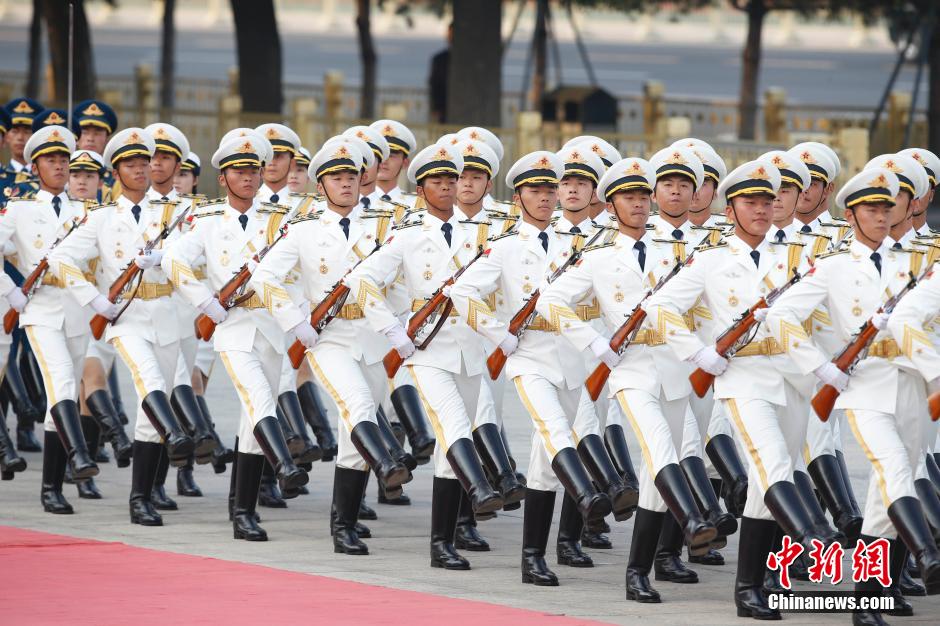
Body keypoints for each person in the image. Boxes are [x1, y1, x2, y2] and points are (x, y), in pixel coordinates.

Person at [645, 160, 831, 620]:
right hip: (743, 377)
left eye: (768, 201)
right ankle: (812, 534)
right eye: (751, 202)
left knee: (768, 480)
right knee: (772, 463)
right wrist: (697, 352)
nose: (763, 209)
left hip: (793, 379)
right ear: (730, 211)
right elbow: (660, 306)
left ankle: (753, 584)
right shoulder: (712, 259)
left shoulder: (798, 258)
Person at [770, 167, 940, 624]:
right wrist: (819, 365)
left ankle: (867, 602)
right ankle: (928, 552)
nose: (882, 216)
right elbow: (781, 317)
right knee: (895, 468)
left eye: (887, 207)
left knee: (883, 500)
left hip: (912, 387)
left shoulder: (919, 263)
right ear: (851, 215)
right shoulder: (834, 266)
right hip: (864, 386)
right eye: (872, 209)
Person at [346, 142, 508, 570]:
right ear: (420, 189)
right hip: (428, 350)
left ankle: (444, 541)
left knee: (449, 452)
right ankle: (480, 490)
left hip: (470, 350)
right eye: (438, 181)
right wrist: (392, 330)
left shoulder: (482, 234)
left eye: (452, 180)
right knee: (453, 426)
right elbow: (361, 280)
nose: (448, 187)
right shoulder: (408, 235)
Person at [250, 137, 412, 553]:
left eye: (351, 177)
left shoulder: (384, 226)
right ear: (321, 186)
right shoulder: (304, 230)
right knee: (359, 405)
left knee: (354, 429)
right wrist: (294, 321)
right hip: (329, 338)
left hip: (373, 339)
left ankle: (345, 524)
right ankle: (388, 463)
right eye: (336, 178)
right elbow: (263, 277)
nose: (345, 184)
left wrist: (398, 320)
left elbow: (402, 280)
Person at [161, 130, 309, 540]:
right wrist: (204, 301)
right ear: (223, 178)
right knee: (260, 399)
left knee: (252, 421)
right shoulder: (208, 221)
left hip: (272, 329)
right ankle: (284, 466)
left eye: (253, 170)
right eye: (238, 171)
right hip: (234, 327)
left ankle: (242, 511)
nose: (248, 177)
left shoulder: (281, 219)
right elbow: (173, 260)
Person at [48, 128, 198, 527]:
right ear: (115, 172)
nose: (140, 170)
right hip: (125, 317)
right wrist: (94, 299)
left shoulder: (172, 212)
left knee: (149, 418)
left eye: (143, 163)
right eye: (130, 164)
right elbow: (60, 259)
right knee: (150, 380)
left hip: (165, 313)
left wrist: (166, 257)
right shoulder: (101, 217)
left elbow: (195, 255)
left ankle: (141, 498)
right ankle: (178, 434)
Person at [0, 125, 111, 514]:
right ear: (35, 167)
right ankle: (80, 455)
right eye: (51, 160)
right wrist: (9, 290)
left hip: (78, 312)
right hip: (41, 310)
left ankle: (52, 488)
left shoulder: (88, 212)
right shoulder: (20, 209)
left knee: (59, 396)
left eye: (65, 159)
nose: (60, 166)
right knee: (63, 380)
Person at [428, 23, 452, 124]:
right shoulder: (440, 59)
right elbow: (434, 84)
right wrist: (435, 107)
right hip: (444, 108)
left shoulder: (439, 59)